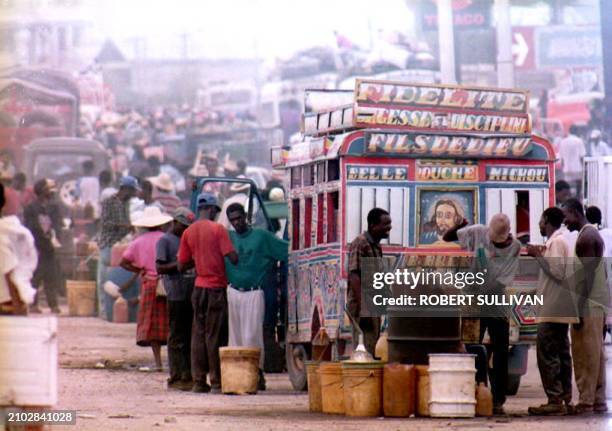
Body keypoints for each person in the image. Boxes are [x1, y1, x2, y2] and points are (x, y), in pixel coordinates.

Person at [443, 213, 521, 415]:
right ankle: (472, 392)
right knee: (470, 346)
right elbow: (447, 238)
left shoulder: (515, 247)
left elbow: (500, 282)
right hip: (472, 298)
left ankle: (497, 400)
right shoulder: (477, 232)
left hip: (495, 299)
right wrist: (458, 225)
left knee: (501, 349)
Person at [177, 192, 238, 393]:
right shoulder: (218, 229)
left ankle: (199, 381)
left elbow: (181, 264)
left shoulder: (188, 232)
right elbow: (232, 257)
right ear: (212, 209)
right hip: (215, 289)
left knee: (198, 334)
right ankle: (217, 381)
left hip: (198, 288)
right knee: (215, 335)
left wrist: (200, 259)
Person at [224, 203, 288, 390]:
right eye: (233, 220)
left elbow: (286, 251)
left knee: (252, 336)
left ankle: (257, 373)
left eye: (239, 218)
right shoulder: (228, 238)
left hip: (254, 292)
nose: (237, 222)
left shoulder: (261, 236)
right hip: (233, 291)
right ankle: (238, 376)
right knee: (235, 338)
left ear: (245, 216)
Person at [527, 207, 576, 416]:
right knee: (562, 353)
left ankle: (554, 399)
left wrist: (537, 256)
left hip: (553, 307)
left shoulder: (556, 242)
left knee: (547, 353)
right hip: (561, 306)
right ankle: (565, 399)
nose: (539, 224)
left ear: (546, 220)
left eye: (540, 220)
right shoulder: (563, 240)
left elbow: (556, 272)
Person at [563, 198, 609, 415]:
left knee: (585, 354)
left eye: (566, 216)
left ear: (574, 212)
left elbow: (588, 277)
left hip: (588, 305)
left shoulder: (587, 237)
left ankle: (586, 401)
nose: (565, 222)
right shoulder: (590, 235)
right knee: (596, 353)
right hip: (596, 303)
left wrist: (578, 308)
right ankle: (598, 399)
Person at [120, 206, 173, 371]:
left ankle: (158, 363)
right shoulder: (167, 238)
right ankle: (173, 361)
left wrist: (139, 270)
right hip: (167, 283)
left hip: (149, 284)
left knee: (153, 325)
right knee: (172, 322)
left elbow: (123, 262)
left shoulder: (137, 242)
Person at [156, 207, 196, 391]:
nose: (186, 229)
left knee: (189, 335)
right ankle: (176, 374)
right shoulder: (165, 241)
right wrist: (180, 265)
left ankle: (188, 373)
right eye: (184, 226)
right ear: (175, 222)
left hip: (190, 292)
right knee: (176, 336)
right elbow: (160, 267)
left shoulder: (186, 238)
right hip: (176, 293)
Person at [347, 208, 392, 355]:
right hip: (363, 306)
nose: (389, 227)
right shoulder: (360, 243)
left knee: (373, 348)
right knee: (363, 351)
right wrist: (363, 308)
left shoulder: (376, 247)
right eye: (385, 224)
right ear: (373, 225)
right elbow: (354, 276)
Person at [98, 176, 140, 316]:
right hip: (108, 243)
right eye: (132, 191)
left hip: (119, 245)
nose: (133, 194)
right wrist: (125, 226)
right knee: (104, 279)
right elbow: (105, 223)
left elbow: (126, 222)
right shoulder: (109, 202)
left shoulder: (125, 203)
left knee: (114, 278)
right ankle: (104, 310)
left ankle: (114, 310)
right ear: (125, 189)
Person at [23, 179, 64, 314]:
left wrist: (56, 238)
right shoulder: (31, 208)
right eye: (48, 189)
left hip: (50, 247)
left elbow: (58, 225)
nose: (52, 192)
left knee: (51, 276)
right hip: (37, 246)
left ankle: (53, 305)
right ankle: (33, 304)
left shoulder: (54, 207)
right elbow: (31, 227)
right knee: (36, 275)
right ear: (41, 191)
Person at [0, 183, 38, 315]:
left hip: (7, 304)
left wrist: (18, 309)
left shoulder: (3, 234)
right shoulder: (18, 232)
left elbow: (10, 273)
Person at [558, 125, 586, 198]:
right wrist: (584, 167)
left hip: (567, 168)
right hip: (577, 168)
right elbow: (582, 156)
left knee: (567, 186)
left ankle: (567, 198)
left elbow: (561, 158)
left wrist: (563, 167)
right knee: (579, 185)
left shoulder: (563, 141)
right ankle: (577, 198)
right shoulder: (579, 141)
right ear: (577, 131)